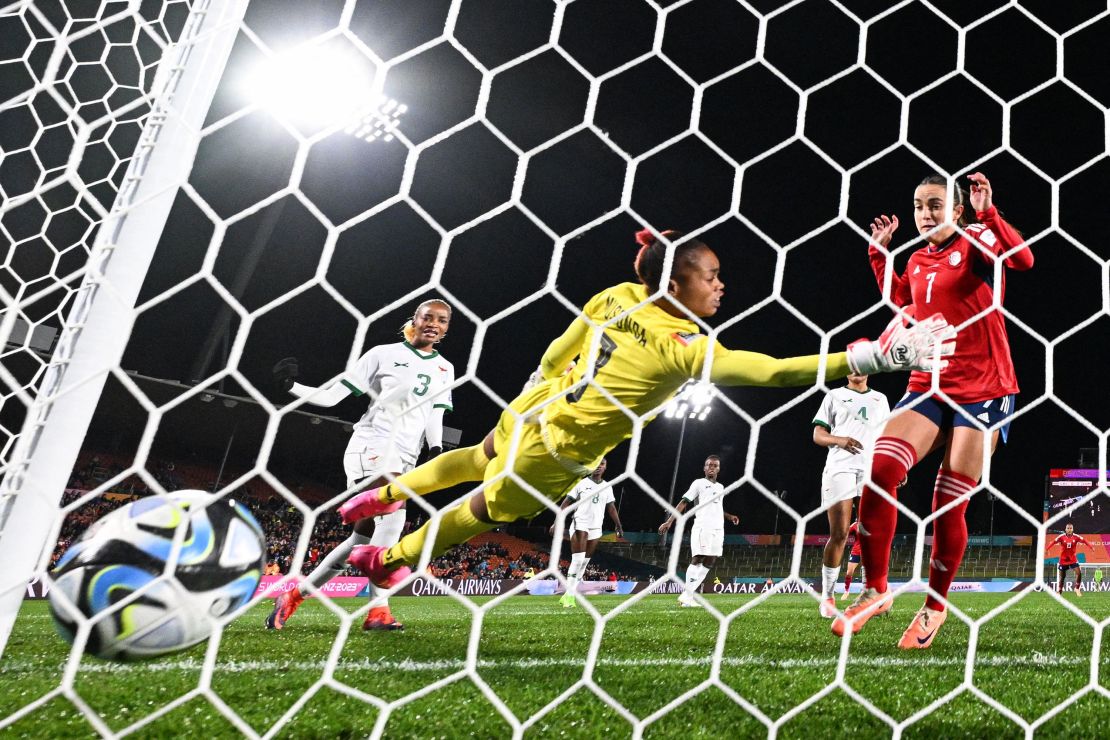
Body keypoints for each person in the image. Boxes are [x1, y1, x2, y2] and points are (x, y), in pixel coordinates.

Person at [336, 228, 955, 616]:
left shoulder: (616, 295)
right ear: (675, 282)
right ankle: (391, 555)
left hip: (536, 403)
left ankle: (382, 496)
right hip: (559, 450)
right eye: (709, 276)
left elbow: (560, 345)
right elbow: (766, 371)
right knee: (481, 509)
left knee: (474, 455)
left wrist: (539, 387)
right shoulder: (680, 343)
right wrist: (878, 354)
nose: (720, 285)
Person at [835, 172, 1034, 649]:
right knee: (880, 467)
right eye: (920, 205)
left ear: (957, 209)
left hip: (984, 388)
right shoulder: (918, 257)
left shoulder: (977, 244)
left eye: (936, 204)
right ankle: (875, 590)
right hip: (929, 383)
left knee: (947, 503)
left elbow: (1022, 260)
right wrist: (877, 254)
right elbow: (903, 301)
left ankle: (934, 607)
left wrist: (989, 213)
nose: (926, 213)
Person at [265, 299, 454, 632]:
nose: (433, 324)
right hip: (373, 445)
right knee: (394, 516)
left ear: (446, 328)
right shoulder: (382, 354)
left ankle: (294, 594)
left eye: (441, 320)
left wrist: (436, 448)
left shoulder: (445, 368)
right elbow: (333, 396)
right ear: (416, 319)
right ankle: (378, 612)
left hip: (407, 456)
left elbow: (434, 413)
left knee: (360, 542)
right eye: (427, 317)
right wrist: (291, 386)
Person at [812, 374, 889, 617]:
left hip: (871, 469)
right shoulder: (834, 395)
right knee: (840, 533)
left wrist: (895, 464)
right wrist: (840, 440)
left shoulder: (880, 398)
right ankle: (828, 598)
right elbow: (818, 435)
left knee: (870, 534)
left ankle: (870, 595)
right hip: (840, 466)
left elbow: (886, 438)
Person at [658, 455, 738, 607]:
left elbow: (717, 507)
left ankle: (687, 595)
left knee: (710, 561)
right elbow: (684, 502)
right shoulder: (699, 483)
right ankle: (688, 596)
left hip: (718, 529)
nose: (712, 467)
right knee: (698, 558)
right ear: (704, 468)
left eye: (715, 465)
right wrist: (669, 521)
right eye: (709, 465)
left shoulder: (720, 487)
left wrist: (729, 516)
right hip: (703, 526)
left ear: (719, 469)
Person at [550, 458, 624, 607]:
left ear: (605, 467)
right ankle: (570, 597)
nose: (598, 467)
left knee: (584, 563)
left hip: (596, 528)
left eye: (602, 464)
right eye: (596, 464)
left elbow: (611, 508)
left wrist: (618, 526)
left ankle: (568, 594)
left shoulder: (607, 487)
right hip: (580, 523)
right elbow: (566, 503)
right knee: (578, 560)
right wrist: (556, 522)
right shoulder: (582, 483)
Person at [1048, 523, 1090, 596]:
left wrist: (1091, 547)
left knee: (1079, 573)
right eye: (1068, 528)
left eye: (1071, 528)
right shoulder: (1061, 537)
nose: (1069, 530)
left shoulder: (1076, 537)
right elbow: (1053, 542)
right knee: (1062, 577)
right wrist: (1047, 549)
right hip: (1063, 560)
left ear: (1073, 529)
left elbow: (1085, 541)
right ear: (1065, 529)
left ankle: (1077, 589)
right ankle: (1060, 590)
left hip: (1072, 559)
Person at [841, 520, 862, 601]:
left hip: (868, 551)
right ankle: (846, 591)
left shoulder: (872, 522)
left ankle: (865, 591)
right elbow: (844, 533)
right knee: (849, 573)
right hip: (856, 551)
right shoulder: (855, 525)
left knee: (868, 573)